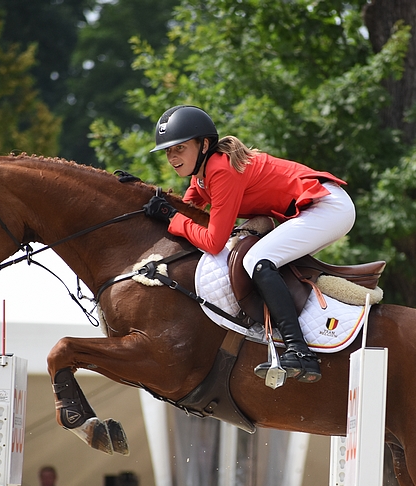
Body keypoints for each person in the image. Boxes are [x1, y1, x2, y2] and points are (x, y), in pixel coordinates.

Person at [147, 105, 356, 383]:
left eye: (180, 148)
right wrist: (142, 198)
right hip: (317, 209)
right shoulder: (202, 175)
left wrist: (171, 217)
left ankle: (300, 349)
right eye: (168, 151)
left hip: (328, 207)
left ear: (204, 144)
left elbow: (212, 242)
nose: (172, 157)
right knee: (261, 259)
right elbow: (184, 211)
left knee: (256, 260)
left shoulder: (220, 169)